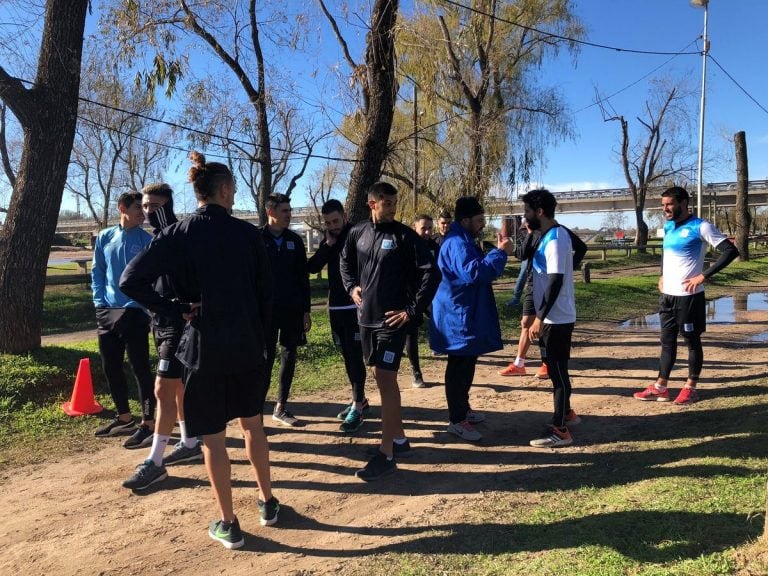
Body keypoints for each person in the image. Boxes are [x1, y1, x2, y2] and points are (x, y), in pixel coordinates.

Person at [120, 152, 279, 550]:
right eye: (234, 189)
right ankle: (267, 502)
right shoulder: (249, 235)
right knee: (252, 425)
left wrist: (173, 308)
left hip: (202, 349)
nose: (236, 194)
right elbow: (266, 298)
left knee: (212, 439)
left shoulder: (179, 234)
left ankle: (229, 523)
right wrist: (263, 343)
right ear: (224, 191)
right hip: (247, 347)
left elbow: (130, 280)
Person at [340, 181, 440, 481]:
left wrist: (412, 311)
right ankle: (399, 438)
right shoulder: (357, 232)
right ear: (373, 204)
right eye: (388, 203)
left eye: (396, 203)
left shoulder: (405, 237)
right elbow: (344, 261)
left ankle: (386, 455)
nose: (393, 208)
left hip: (392, 323)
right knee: (378, 375)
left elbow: (430, 274)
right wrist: (351, 287)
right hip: (365, 319)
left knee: (386, 379)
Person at [122, 183, 202, 491]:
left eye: (154, 206)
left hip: (179, 325)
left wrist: (176, 307)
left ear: (168, 205)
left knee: (162, 391)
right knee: (177, 389)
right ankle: (190, 441)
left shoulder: (179, 235)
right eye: (144, 206)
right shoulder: (158, 238)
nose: (147, 212)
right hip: (162, 323)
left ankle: (155, 462)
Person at [633, 186, 738, 405]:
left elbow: (730, 251)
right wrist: (662, 275)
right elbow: (666, 253)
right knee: (667, 342)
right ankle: (661, 387)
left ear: (683, 203)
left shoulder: (701, 226)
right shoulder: (669, 226)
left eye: (669, 204)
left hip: (689, 297)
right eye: (663, 205)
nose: (665, 209)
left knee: (691, 341)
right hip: (668, 296)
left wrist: (704, 276)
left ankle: (691, 387)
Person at [429, 197, 514, 442]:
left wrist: (495, 253)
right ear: (465, 220)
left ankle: (463, 410)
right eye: (478, 220)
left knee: (466, 364)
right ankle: (456, 420)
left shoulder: (464, 239)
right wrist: (499, 253)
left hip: (464, 313)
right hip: (458, 316)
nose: (482, 225)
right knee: (459, 367)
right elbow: (475, 272)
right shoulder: (456, 242)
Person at [91, 191, 155, 450]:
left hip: (135, 311)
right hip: (107, 310)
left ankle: (148, 422)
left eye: (144, 207)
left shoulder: (147, 240)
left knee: (140, 368)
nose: (143, 212)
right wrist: (98, 302)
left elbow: (152, 277)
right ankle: (124, 418)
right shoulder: (105, 236)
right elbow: (98, 271)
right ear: (122, 208)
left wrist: (145, 305)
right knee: (110, 366)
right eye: (138, 207)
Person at [307, 199, 370, 433]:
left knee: (355, 357)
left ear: (344, 215)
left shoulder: (358, 234)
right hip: (335, 308)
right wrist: (327, 245)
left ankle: (358, 406)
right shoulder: (329, 240)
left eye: (335, 220)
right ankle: (360, 400)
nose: (333, 225)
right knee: (346, 356)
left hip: (355, 306)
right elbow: (312, 267)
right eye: (328, 222)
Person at [522, 189, 579, 448]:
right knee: (556, 370)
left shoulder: (555, 239)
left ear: (540, 212)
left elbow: (556, 281)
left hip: (556, 319)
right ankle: (565, 414)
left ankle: (561, 431)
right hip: (552, 317)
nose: (525, 216)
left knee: (558, 374)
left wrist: (539, 318)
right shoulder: (546, 235)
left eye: (527, 211)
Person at [500, 222, 586, 380]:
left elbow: (581, 248)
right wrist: (529, 232)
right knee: (526, 322)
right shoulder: (527, 230)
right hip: (533, 283)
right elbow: (522, 254)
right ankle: (519, 364)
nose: (526, 216)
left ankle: (546, 364)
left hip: (550, 285)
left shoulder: (558, 231)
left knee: (544, 325)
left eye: (528, 211)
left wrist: (568, 269)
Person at [261, 193, 312, 426]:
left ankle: (281, 407)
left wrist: (306, 310)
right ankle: (255, 414)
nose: (289, 215)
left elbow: (303, 278)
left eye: (289, 211)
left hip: (292, 310)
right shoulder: (256, 239)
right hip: (265, 312)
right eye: (284, 211)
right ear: (270, 212)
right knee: (264, 359)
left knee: (289, 356)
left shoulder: (295, 240)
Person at [406, 214, 440, 388]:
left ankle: (440, 345)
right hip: (410, 296)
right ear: (415, 227)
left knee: (440, 319)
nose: (427, 232)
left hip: (430, 295)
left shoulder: (434, 246)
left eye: (429, 228)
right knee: (411, 333)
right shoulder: (407, 245)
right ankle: (416, 371)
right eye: (423, 228)